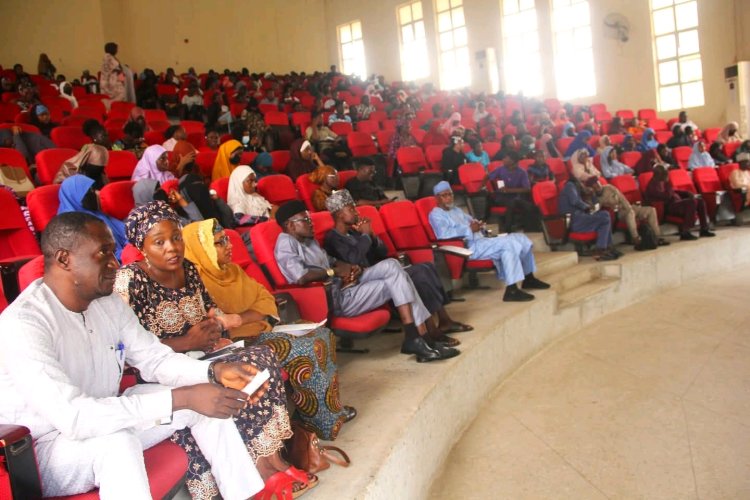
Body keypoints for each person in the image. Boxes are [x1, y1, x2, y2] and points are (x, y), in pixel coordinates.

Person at [0, 212, 272, 499]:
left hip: (108, 413)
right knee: (118, 443)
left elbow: (154, 359)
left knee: (202, 397)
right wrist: (183, 397)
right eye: (103, 253)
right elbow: (75, 417)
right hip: (45, 449)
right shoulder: (25, 324)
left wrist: (213, 373)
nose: (115, 263)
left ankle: (244, 495)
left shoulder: (107, 302)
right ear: (64, 259)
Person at [115, 203, 314, 498]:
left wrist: (216, 330)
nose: (172, 247)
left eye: (176, 238)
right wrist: (187, 342)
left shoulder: (188, 269)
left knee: (262, 359)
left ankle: (272, 459)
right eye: (159, 242)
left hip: (202, 354)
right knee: (248, 364)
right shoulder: (130, 281)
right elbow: (129, 352)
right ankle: (262, 470)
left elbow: (209, 311)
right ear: (141, 246)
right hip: (162, 368)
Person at [182, 218, 356, 440]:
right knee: (307, 348)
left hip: (260, 330)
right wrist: (245, 317)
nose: (229, 245)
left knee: (323, 335)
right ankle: (322, 421)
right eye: (219, 242)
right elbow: (219, 324)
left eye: (227, 239)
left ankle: (324, 410)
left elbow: (265, 300)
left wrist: (240, 317)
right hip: (237, 343)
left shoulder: (233, 271)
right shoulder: (195, 282)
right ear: (201, 249)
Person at [274, 200, 457, 363]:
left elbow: (331, 261)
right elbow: (301, 277)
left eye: (309, 218)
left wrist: (351, 268)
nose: (311, 223)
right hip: (335, 298)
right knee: (400, 281)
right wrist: (334, 272)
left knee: (393, 265)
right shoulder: (285, 243)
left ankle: (417, 337)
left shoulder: (309, 241)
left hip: (347, 284)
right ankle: (420, 337)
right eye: (305, 220)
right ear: (290, 225)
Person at [323, 190, 471, 346]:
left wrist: (372, 235)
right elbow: (354, 258)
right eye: (351, 209)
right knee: (418, 275)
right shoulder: (333, 238)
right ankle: (431, 330)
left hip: (380, 272)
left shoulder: (354, 232)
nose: (356, 212)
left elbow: (382, 252)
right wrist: (365, 236)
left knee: (427, 267)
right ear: (339, 215)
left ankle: (443, 319)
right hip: (364, 281)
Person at [429, 182, 549, 301]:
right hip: (467, 247)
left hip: (481, 240)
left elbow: (472, 220)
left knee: (521, 238)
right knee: (509, 245)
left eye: (450, 194)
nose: (449, 198)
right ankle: (511, 290)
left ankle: (528, 279)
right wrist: (469, 229)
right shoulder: (436, 215)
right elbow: (443, 234)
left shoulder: (456, 210)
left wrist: (478, 224)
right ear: (437, 198)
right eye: (444, 195)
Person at [57, 175, 128, 259]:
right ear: (76, 197)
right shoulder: (70, 225)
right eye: (90, 191)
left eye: (93, 189)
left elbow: (126, 231)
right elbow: (102, 254)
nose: (97, 193)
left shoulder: (96, 213)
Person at [587, 179, 667, 250]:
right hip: (618, 213)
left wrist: (629, 208)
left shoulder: (609, 188)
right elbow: (595, 209)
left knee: (651, 210)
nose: (598, 187)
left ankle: (657, 237)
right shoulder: (595, 198)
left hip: (628, 207)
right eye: (595, 187)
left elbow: (622, 198)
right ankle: (636, 238)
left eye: (598, 184)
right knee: (630, 213)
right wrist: (593, 197)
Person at [645, 164, 714, 240]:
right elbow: (667, 196)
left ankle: (704, 229)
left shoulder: (662, 181)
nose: (667, 175)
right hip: (667, 207)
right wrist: (668, 184)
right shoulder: (652, 186)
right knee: (691, 203)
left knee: (700, 201)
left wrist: (686, 193)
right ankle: (685, 231)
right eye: (665, 174)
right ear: (658, 175)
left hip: (677, 203)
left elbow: (673, 191)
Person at [557, 176, 619, 261]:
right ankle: (602, 249)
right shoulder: (570, 185)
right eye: (582, 183)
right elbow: (575, 201)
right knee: (605, 216)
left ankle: (605, 248)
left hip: (580, 218)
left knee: (604, 217)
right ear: (578, 181)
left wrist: (591, 195)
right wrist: (588, 207)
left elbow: (589, 202)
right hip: (574, 221)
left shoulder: (576, 189)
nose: (584, 185)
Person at [488, 151, 540, 232]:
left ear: (512, 161)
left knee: (531, 207)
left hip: (517, 198)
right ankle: (507, 229)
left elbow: (527, 189)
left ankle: (531, 229)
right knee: (512, 203)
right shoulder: (500, 169)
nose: (503, 159)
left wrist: (509, 190)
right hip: (503, 197)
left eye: (506, 158)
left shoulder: (522, 172)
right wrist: (496, 185)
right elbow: (489, 177)